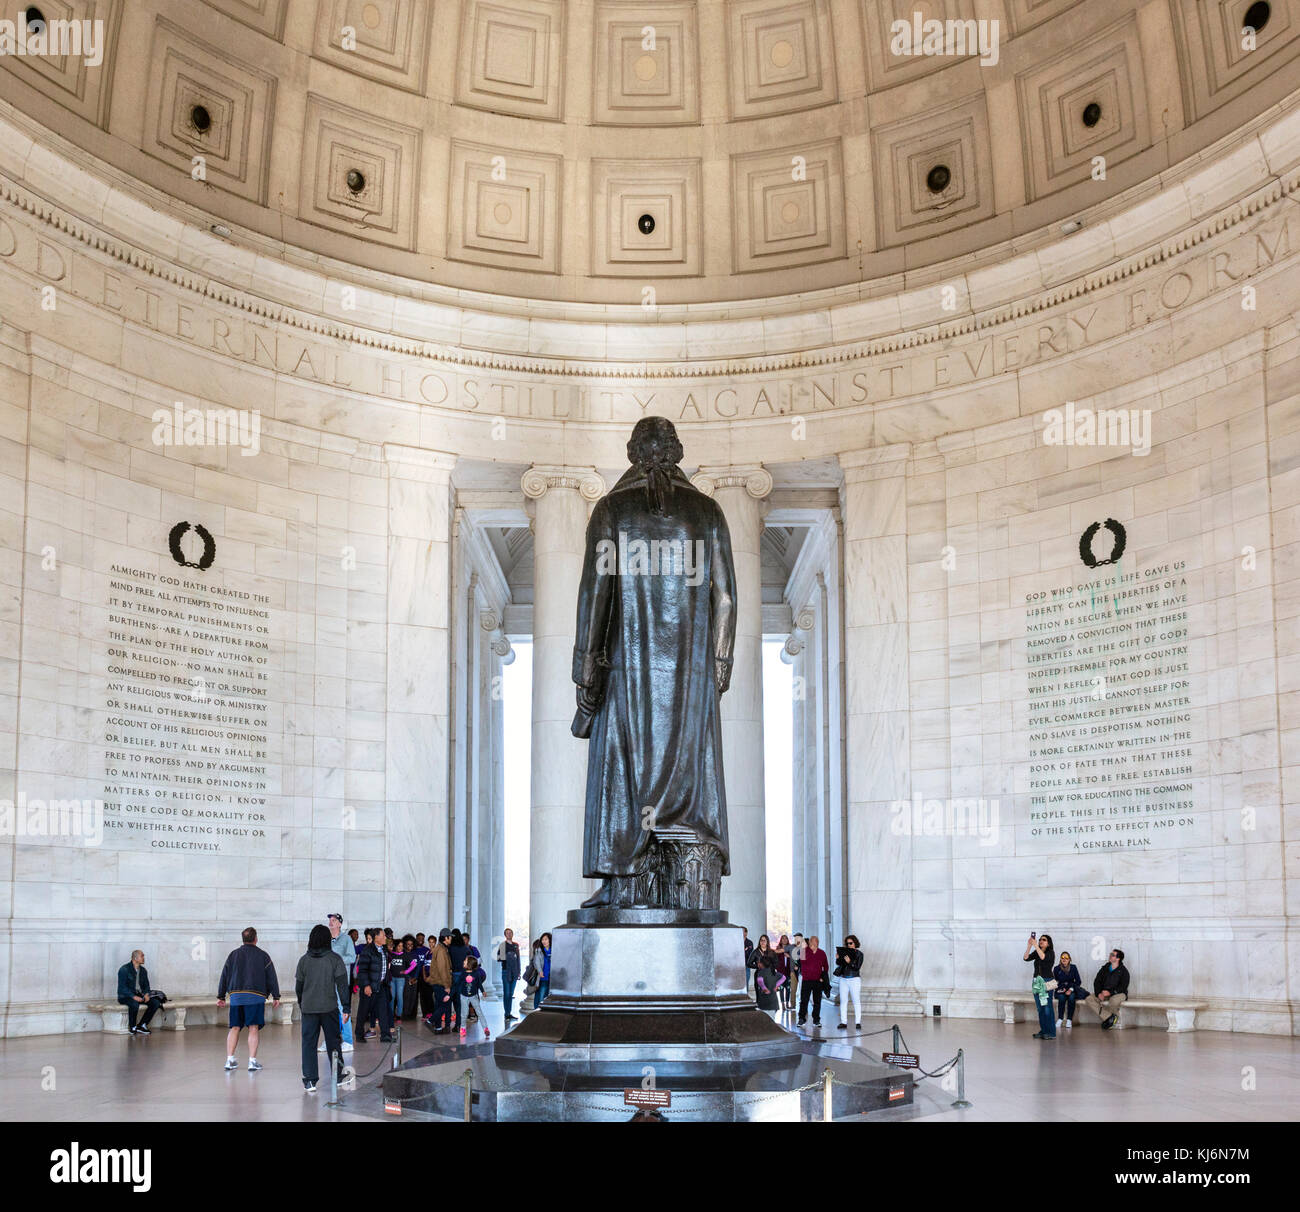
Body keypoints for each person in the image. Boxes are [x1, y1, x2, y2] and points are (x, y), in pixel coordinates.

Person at [217, 926, 281, 1071]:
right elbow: (271, 976)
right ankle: (252, 1061)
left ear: (243, 939)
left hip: (236, 997)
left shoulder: (233, 955)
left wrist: (221, 996)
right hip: (256, 996)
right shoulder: (263, 955)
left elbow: (224, 975)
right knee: (253, 1028)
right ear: (256, 939)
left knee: (234, 1027)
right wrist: (276, 995)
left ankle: (230, 1060)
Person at [296, 924, 350, 1093]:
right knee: (334, 1042)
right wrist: (346, 1007)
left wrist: (302, 1002)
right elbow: (342, 986)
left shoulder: (304, 960)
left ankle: (310, 1081)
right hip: (329, 1008)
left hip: (309, 1008)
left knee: (309, 1044)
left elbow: (299, 986)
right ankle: (339, 1076)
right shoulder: (335, 959)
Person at [356, 927, 395, 1043]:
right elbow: (362, 970)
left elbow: (385, 968)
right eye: (383, 935)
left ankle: (386, 1035)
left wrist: (387, 982)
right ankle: (359, 1035)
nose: (385, 937)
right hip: (370, 987)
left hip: (381, 986)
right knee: (363, 1011)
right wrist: (366, 985)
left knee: (383, 1011)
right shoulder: (367, 951)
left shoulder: (383, 950)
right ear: (376, 937)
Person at [1079, 948, 1130, 1029]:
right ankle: (1109, 1017)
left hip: (1119, 993)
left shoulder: (1124, 971)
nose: (1110, 956)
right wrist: (1099, 993)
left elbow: (1123, 987)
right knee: (1089, 999)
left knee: (1113, 1001)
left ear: (1118, 958)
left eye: (1112, 955)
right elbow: (1097, 981)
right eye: (1110, 954)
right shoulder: (1105, 968)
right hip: (1103, 993)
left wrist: (1110, 992)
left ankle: (1111, 1020)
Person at [326, 913, 355, 1053]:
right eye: (330, 920)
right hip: (326, 980)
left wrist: (335, 959)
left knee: (343, 1008)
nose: (331, 922)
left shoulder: (346, 939)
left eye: (334, 920)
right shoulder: (326, 939)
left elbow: (352, 957)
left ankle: (348, 1041)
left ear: (340, 924)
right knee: (328, 1011)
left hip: (341, 980)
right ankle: (330, 1040)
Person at [116, 950, 163, 1035]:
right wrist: (133, 996)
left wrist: (146, 994)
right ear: (135, 958)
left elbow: (146, 986)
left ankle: (142, 1025)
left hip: (139, 995)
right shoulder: (124, 969)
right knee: (134, 1004)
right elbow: (122, 988)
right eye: (142, 956)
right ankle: (132, 1027)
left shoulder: (143, 970)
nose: (144, 958)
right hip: (125, 996)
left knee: (155, 1003)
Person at [1024, 931, 1057, 1040]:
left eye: (1044, 940)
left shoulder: (1050, 952)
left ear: (1048, 943)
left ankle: (1051, 1033)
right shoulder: (1036, 951)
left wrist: (1035, 945)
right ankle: (1043, 1031)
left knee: (1047, 1008)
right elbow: (1025, 958)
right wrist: (1029, 946)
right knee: (1040, 1008)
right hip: (1036, 982)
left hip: (1046, 981)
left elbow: (1043, 957)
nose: (1041, 941)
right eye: (1040, 939)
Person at [423, 929, 455, 1033]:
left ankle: (438, 1028)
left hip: (437, 982)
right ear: (446, 938)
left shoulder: (441, 948)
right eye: (450, 937)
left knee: (439, 1005)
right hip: (440, 983)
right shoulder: (441, 950)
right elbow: (442, 969)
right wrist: (447, 985)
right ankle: (430, 1021)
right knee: (445, 1005)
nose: (451, 939)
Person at [797, 935, 829, 1028]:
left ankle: (816, 1020)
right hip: (806, 980)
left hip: (817, 981)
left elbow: (826, 966)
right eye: (812, 942)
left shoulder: (822, 953)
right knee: (804, 1000)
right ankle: (801, 1018)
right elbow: (802, 963)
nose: (814, 944)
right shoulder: (804, 951)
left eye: (816, 942)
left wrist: (823, 977)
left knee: (817, 1001)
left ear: (818, 943)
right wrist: (808, 949)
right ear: (809, 943)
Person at [836, 935, 864, 1031]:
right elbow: (839, 964)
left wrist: (849, 962)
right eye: (847, 943)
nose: (849, 945)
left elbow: (857, 967)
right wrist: (838, 958)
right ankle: (843, 1022)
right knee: (843, 1001)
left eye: (851, 943)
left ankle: (858, 1022)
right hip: (843, 979)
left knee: (856, 1001)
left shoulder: (860, 954)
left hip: (854, 979)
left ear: (855, 943)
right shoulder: (845, 953)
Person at [460, 956, 489, 1039]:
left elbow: (479, 983)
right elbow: (458, 984)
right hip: (464, 996)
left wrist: (483, 991)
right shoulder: (463, 973)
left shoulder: (476, 974)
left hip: (473, 996)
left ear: (469, 964)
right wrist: (451, 994)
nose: (463, 961)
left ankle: (485, 1028)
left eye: (465, 961)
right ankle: (463, 1028)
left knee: (479, 1012)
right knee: (464, 1014)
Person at [1053, 950, 1083, 1030]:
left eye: (1066, 957)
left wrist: (1071, 989)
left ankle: (1069, 1019)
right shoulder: (1056, 969)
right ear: (1060, 959)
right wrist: (1059, 989)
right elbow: (1054, 982)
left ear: (1069, 959)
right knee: (1062, 998)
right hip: (1061, 989)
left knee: (1071, 997)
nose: (1064, 959)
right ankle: (1060, 1018)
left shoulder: (1073, 967)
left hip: (1071, 988)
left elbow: (1078, 981)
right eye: (1062, 957)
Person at [497, 928, 521, 1022]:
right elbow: (498, 958)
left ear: (513, 934)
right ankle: (506, 1014)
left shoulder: (516, 945)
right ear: (505, 935)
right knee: (506, 993)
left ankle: (509, 1013)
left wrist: (519, 971)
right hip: (506, 971)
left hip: (515, 971)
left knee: (511, 994)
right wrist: (508, 955)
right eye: (507, 933)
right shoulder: (503, 945)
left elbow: (518, 959)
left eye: (510, 932)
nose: (509, 934)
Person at [752, 949, 785, 1014]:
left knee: (766, 1020)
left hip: (765, 1002)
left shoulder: (761, 972)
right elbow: (783, 978)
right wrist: (776, 985)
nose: (757, 963)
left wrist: (764, 988)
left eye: (759, 962)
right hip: (773, 1002)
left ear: (762, 964)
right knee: (772, 1019)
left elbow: (759, 980)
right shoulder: (773, 971)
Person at [532, 932, 552, 1008]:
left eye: (545, 939)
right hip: (542, 977)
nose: (544, 941)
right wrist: (540, 971)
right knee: (541, 995)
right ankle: (537, 1012)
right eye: (542, 940)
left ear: (550, 940)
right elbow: (536, 962)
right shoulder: (539, 951)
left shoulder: (553, 950)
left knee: (547, 996)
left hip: (551, 977)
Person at [772, 936, 790, 1010]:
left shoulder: (790, 949)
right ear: (781, 940)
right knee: (781, 988)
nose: (784, 940)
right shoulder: (778, 949)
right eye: (783, 938)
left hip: (788, 971)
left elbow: (795, 958)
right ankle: (782, 1003)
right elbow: (774, 959)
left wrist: (789, 956)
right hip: (780, 972)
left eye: (786, 938)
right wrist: (776, 968)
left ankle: (787, 1003)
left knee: (788, 988)